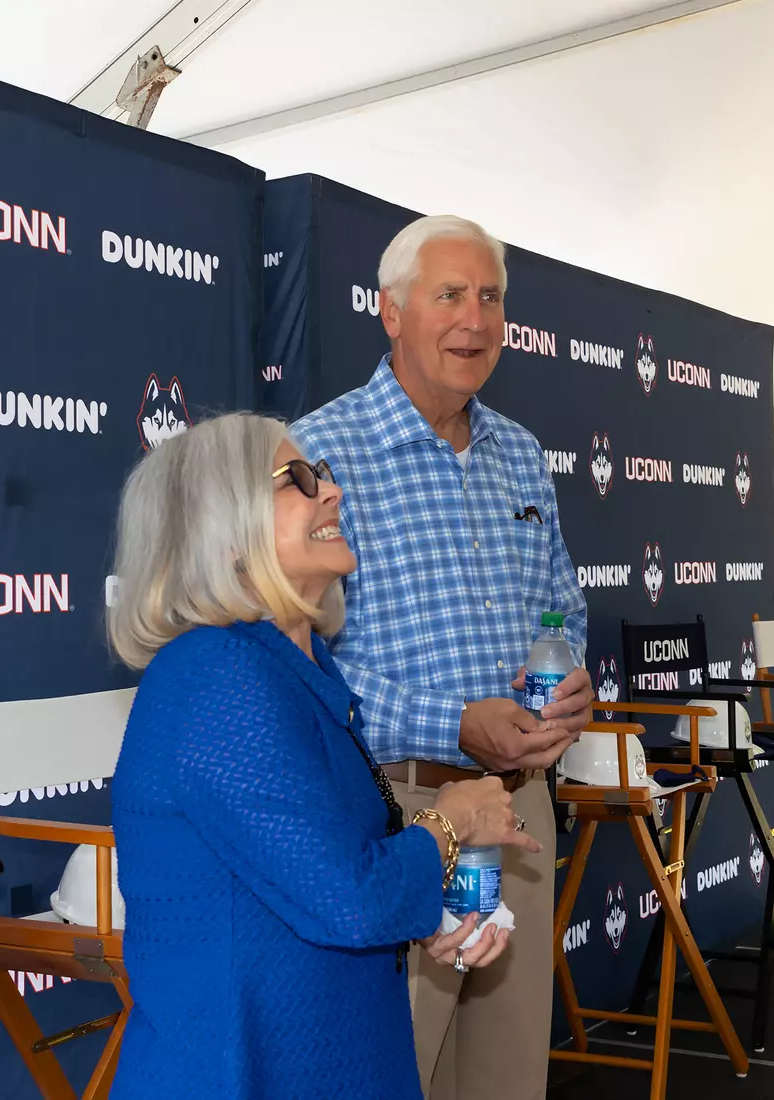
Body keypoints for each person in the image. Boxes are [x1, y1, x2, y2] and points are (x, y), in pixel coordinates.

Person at [106, 412, 540, 1099]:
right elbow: (350, 897)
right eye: (297, 480)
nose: (332, 492)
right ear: (224, 529)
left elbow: (325, 871)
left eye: (326, 476)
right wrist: (453, 823)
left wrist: (432, 907)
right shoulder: (214, 675)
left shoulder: (301, 668)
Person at [291, 214, 593, 1100]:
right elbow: (302, 667)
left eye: (491, 297)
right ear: (389, 312)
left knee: (504, 1084)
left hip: (518, 813)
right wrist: (455, 723)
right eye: (449, 294)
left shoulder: (523, 456)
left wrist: (567, 684)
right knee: (393, 1075)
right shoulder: (318, 454)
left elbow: (563, 608)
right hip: (393, 815)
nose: (474, 318)